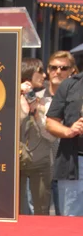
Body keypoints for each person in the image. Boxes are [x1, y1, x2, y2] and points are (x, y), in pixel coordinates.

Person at [19, 58, 58, 215]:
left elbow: (51, 136)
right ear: (28, 72)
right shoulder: (12, 96)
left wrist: (37, 112)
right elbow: (11, 126)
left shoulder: (47, 99)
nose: (44, 75)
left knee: (42, 210)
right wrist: (20, 97)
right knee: (18, 209)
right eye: (40, 71)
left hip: (41, 161)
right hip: (17, 161)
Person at [46, 60, 83, 216]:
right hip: (75, 163)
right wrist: (69, 131)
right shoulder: (70, 85)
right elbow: (50, 122)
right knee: (71, 221)